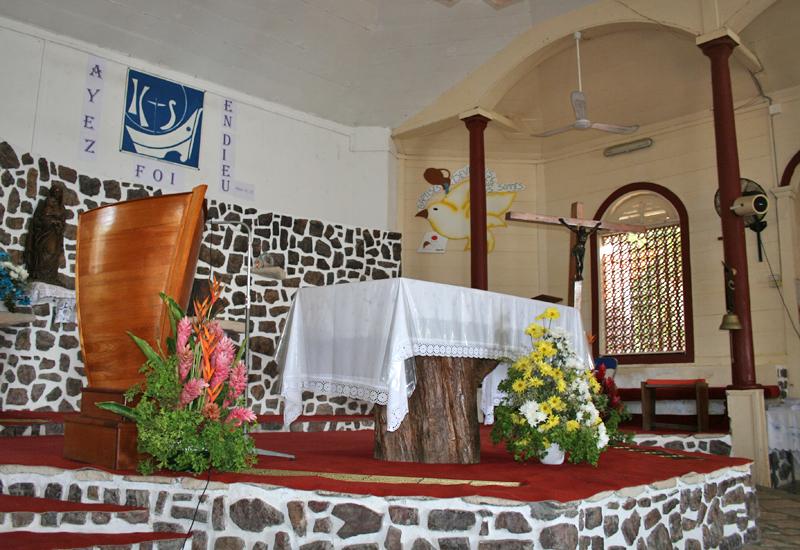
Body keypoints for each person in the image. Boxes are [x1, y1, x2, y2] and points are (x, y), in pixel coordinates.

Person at [24, 183, 67, 285]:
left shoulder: (62, 208)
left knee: (54, 253)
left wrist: (59, 224)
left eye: (59, 192)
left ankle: (51, 275)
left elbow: (63, 222)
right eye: (55, 191)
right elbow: (40, 219)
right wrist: (51, 221)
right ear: (51, 192)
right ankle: (40, 274)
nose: (57, 194)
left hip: (56, 234)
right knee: (45, 251)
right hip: (44, 233)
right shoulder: (45, 203)